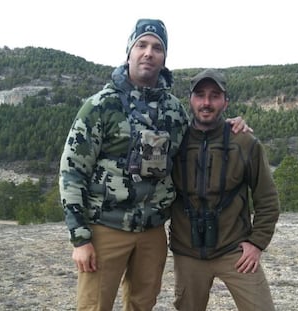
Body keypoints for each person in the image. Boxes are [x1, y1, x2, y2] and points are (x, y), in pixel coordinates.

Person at [59, 19, 248, 310]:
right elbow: (72, 172)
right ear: (129, 52)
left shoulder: (174, 110)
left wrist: (231, 124)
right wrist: (80, 238)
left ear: (164, 57)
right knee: (94, 306)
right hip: (105, 229)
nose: (149, 52)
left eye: (157, 47)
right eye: (142, 45)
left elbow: (200, 142)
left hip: (152, 232)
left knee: (142, 304)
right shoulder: (100, 106)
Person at [169, 68, 280, 311]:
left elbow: (268, 199)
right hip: (187, 253)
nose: (206, 102)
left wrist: (257, 243)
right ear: (190, 99)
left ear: (225, 102)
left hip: (234, 251)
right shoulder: (175, 141)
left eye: (214, 96)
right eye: (200, 95)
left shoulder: (244, 142)